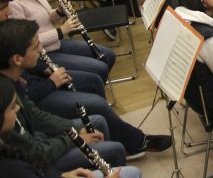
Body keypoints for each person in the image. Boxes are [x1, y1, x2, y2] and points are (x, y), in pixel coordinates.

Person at [0, 4, 170, 160]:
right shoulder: (8, 89)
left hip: (40, 78)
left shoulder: (14, 65)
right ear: (17, 59)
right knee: (97, 106)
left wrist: (42, 69)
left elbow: (34, 109)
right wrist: (74, 137)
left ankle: (116, 137)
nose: (8, 12)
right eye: (2, 7)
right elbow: (34, 140)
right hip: (40, 96)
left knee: (95, 82)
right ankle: (129, 143)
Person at [0, 20, 135, 173]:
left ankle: (107, 166)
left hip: (36, 140)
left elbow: (36, 116)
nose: (41, 49)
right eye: (35, 46)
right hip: (37, 162)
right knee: (115, 150)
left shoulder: (13, 80)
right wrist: (74, 139)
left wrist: (75, 130)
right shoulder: (5, 96)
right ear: (17, 59)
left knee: (98, 122)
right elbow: (35, 151)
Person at [0, 74, 142, 178]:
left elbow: (36, 163)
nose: (18, 108)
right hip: (39, 152)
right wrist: (74, 139)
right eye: (12, 107)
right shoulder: (11, 166)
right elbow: (35, 154)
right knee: (130, 169)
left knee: (98, 121)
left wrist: (61, 175)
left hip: (39, 153)